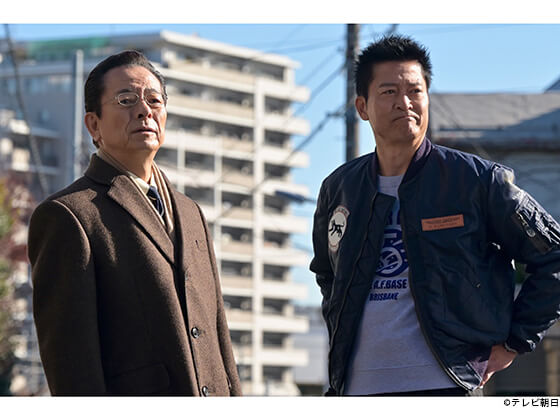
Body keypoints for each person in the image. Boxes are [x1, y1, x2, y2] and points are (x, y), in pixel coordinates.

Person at [310, 35, 560, 396]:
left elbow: (553, 254)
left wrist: (514, 342)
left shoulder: (476, 181)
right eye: (389, 92)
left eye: (415, 91)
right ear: (362, 107)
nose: (405, 103)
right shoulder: (339, 188)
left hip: (444, 385)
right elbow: (327, 274)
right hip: (356, 387)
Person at [27, 50, 241, 396]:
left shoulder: (191, 213)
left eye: (154, 100)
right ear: (93, 125)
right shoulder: (69, 215)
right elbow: (71, 368)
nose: (144, 110)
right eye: (126, 100)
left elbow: (219, 340)